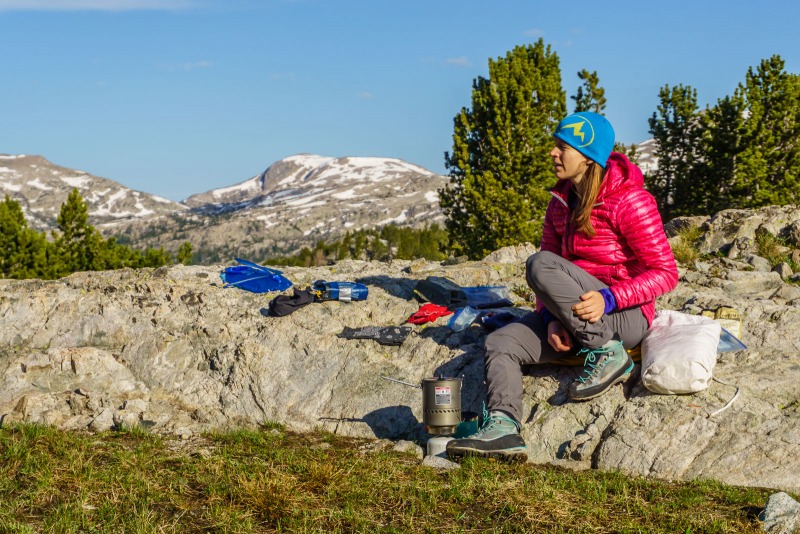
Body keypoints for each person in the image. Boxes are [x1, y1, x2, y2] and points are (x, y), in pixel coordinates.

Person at [447, 112, 679, 462]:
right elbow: (549, 284)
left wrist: (610, 298)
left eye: (562, 147)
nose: (553, 154)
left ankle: (607, 354)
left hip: (623, 319)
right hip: (575, 319)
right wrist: (552, 317)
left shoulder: (631, 201)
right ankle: (503, 427)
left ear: (588, 156)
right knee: (501, 341)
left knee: (537, 262)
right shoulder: (559, 203)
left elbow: (665, 272)